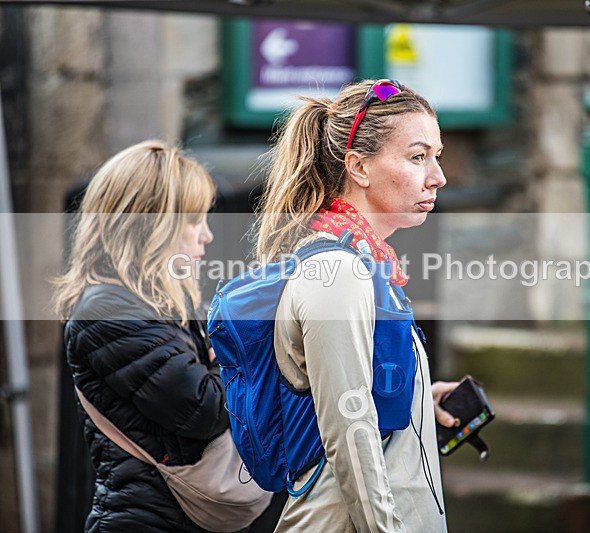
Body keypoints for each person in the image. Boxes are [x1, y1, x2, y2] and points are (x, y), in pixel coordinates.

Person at [251, 79, 457, 532]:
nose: (438, 176)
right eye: (418, 156)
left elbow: (361, 399)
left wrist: (421, 395)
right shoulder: (340, 273)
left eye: (436, 156)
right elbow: (350, 431)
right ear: (359, 167)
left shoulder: (366, 263)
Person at [53, 140, 279, 532]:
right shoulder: (108, 310)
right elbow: (204, 409)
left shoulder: (157, 303)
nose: (206, 235)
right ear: (150, 224)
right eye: (194, 221)